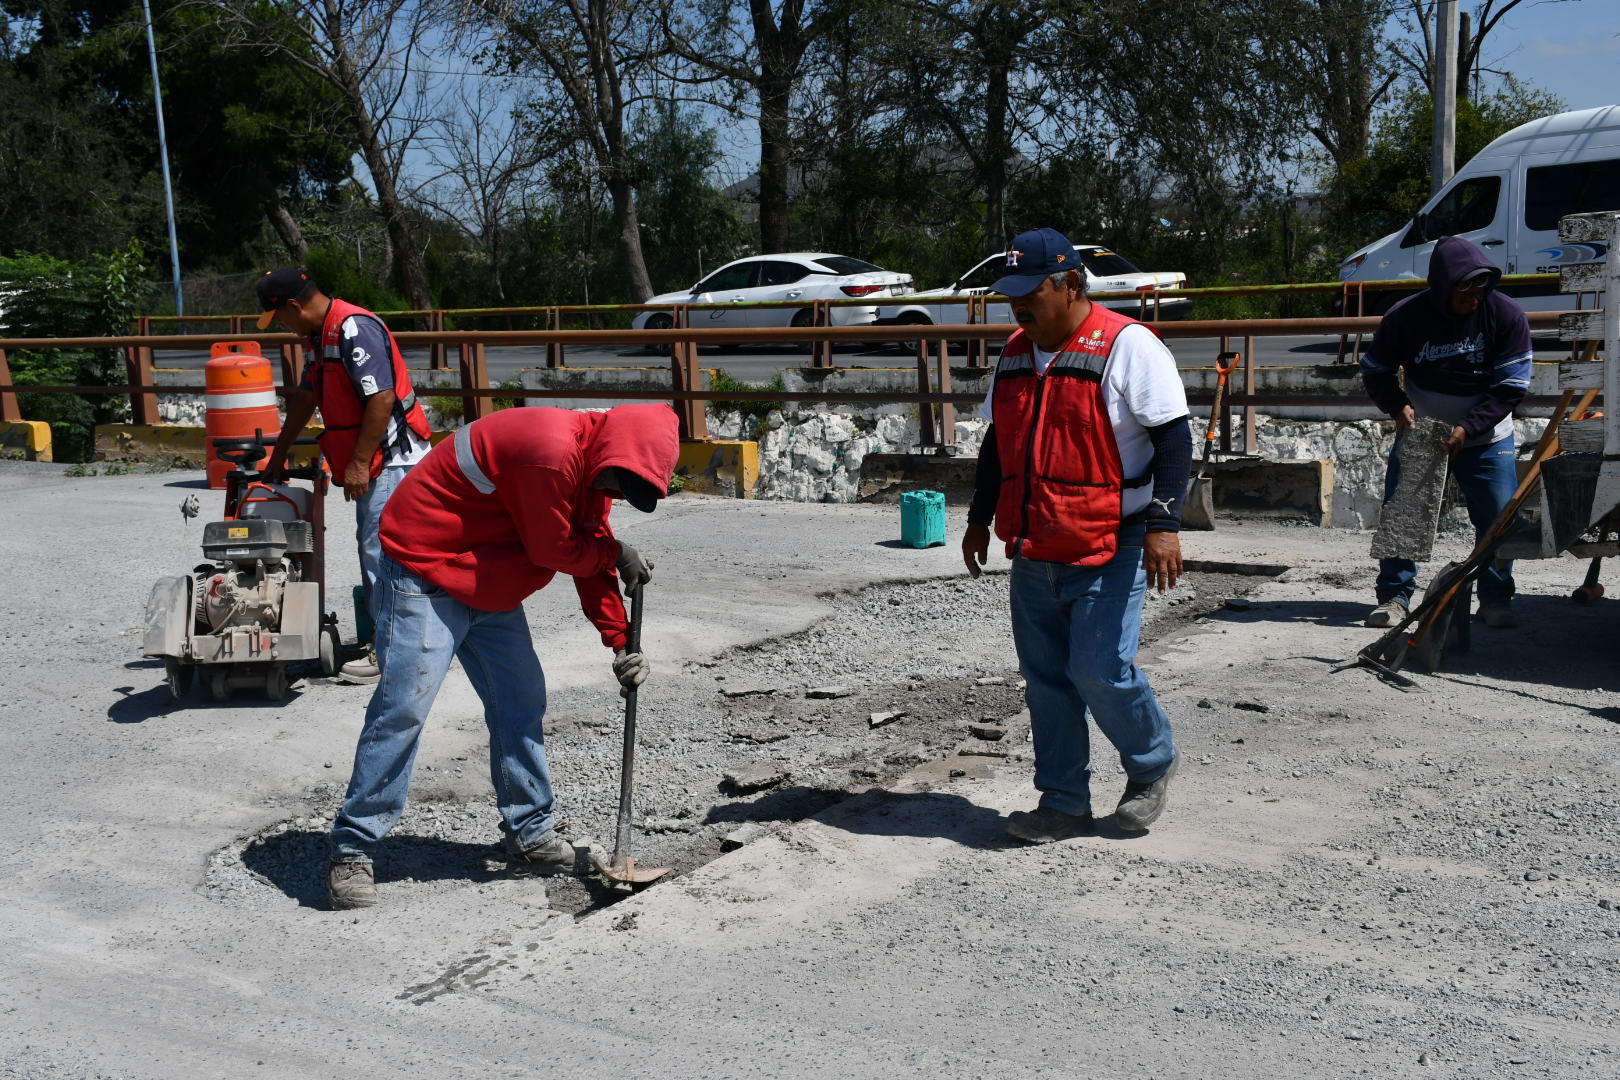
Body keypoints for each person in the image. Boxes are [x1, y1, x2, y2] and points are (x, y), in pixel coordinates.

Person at [324, 402, 680, 910]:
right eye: (617, 485)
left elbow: (587, 541)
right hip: (426, 567)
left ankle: (531, 839)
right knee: (403, 709)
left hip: (485, 574)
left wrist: (620, 639)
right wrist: (615, 552)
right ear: (612, 454)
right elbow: (554, 548)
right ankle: (352, 847)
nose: (615, 495)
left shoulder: (592, 462)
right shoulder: (551, 452)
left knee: (521, 700)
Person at [961, 227, 1191, 844]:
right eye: (1009, 294)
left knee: (1099, 670)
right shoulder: (1014, 351)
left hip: (1112, 543)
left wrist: (1165, 525)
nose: (1019, 306)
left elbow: (1173, 437)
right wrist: (979, 517)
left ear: (1068, 284)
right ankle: (1062, 801)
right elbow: (997, 444)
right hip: (1036, 546)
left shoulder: (1130, 346)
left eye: (1029, 292)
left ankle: (1151, 763)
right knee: (1045, 680)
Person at [255, 268, 434, 684]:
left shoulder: (353, 328)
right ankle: (399, 638)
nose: (281, 326)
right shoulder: (318, 338)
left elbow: (381, 397)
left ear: (294, 306)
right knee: (377, 551)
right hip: (374, 461)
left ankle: (388, 651)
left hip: (393, 461)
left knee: (380, 553)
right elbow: (306, 398)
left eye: (279, 317)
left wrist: (357, 462)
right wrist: (278, 455)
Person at [1360, 235, 1532, 630]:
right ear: (1441, 286)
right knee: (1406, 515)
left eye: (1482, 284)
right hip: (1423, 432)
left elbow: (1510, 388)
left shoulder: (1505, 315)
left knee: (1496, 518)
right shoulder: (1405, 317)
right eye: (1465, 285)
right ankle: (1395, 599)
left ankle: (1495, 599)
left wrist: (1467, 428)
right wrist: (1396, 404)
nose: (1475, 294)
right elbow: (1375, 370)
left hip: (1487, 438)